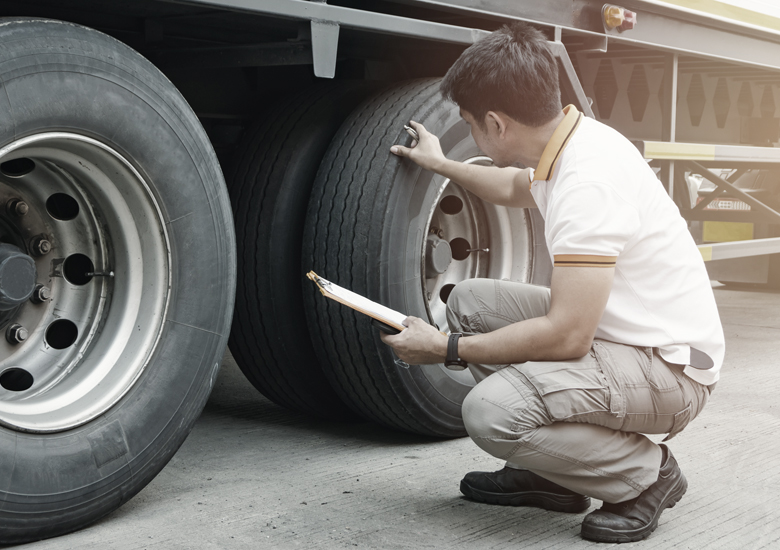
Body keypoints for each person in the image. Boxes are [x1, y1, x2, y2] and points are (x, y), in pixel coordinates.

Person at [380, 21, 724, 543]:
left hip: (670, 370)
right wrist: (441, 163)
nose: (473, 132)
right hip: (625, 339)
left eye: (471, 124)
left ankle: (645, 475)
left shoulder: (588, 183)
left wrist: (446, 348)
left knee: (490, 413)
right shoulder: (569, 142)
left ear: (496, 124)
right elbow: (517, 186)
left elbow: (568, 336)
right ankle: (553, 475)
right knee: (471, 301)